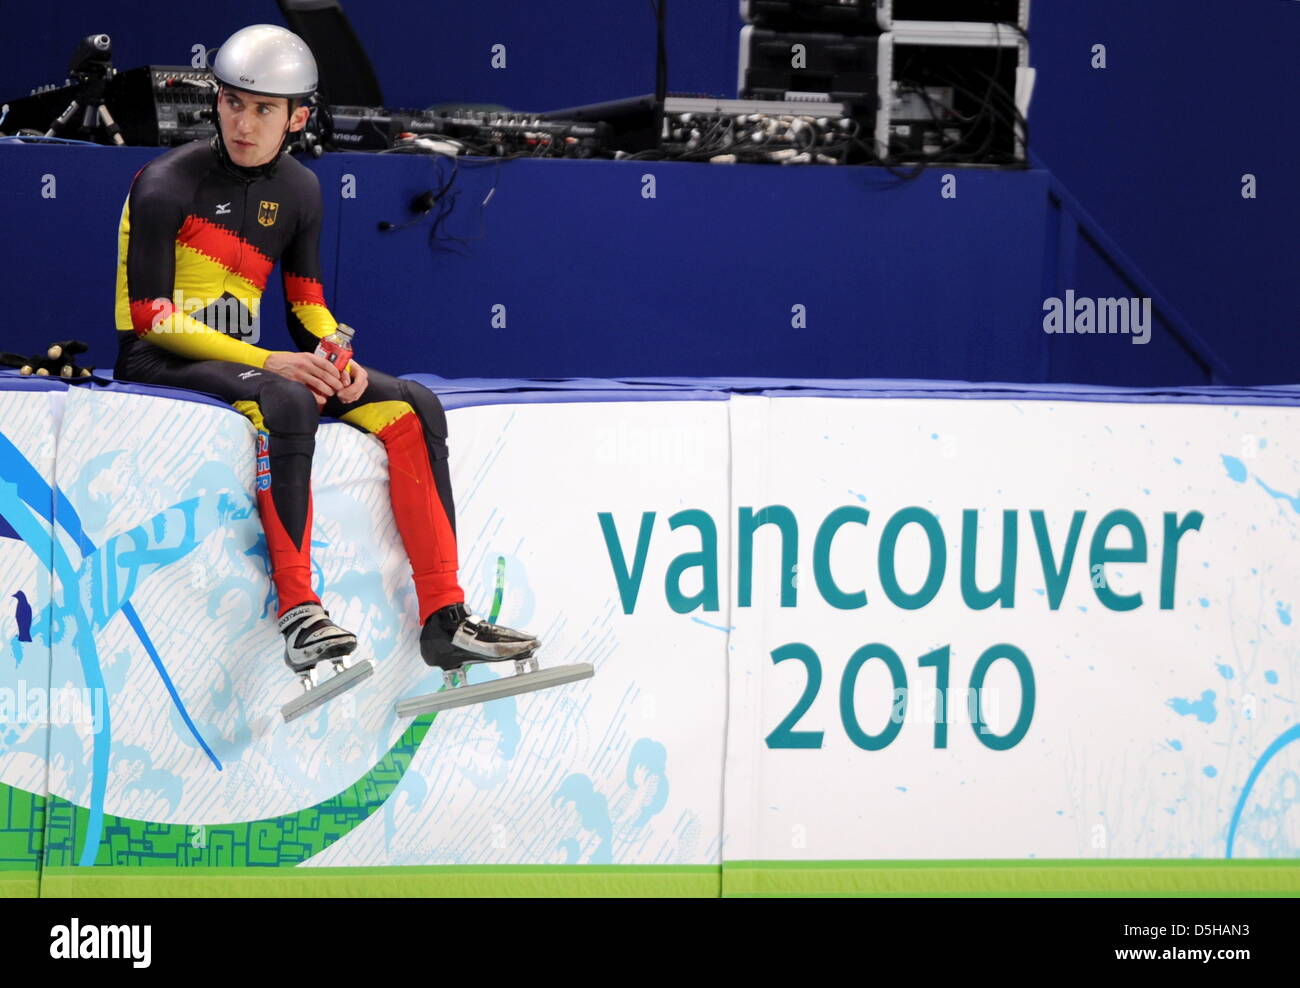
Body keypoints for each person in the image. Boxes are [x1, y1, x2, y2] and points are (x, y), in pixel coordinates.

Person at [112, 24, 539, 695]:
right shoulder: (168, 181)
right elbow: (152, 319)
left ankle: (444, 616)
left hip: (246, 357)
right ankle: (300, 615)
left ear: (298, 116)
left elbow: (305, 302)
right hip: (159, 359)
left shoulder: (302, 190)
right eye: (232, 104)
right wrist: (273, 362)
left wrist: (332, 346)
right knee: (283, 399)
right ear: (215, 103)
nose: (243, 122)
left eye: (263, 109)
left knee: (414, 404)